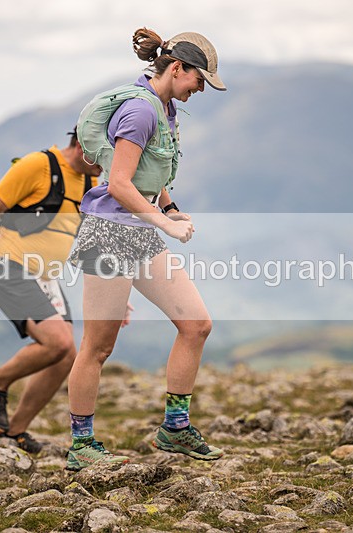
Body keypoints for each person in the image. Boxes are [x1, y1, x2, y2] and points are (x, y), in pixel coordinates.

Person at [64, 28, 227, 471]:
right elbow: (117, 183)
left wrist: (170, 208)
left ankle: (174, 429)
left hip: (141, 232)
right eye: (199, 80)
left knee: (196, 324)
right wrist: (161, 223)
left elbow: (152, 175)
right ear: (177, 68)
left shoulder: (165, 108)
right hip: (110, 234)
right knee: (98, 346)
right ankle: (81, 444)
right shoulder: (139, 112)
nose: (200, 90)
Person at [0, 129, 105, 453]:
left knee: (67, 358)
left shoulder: (90, 182)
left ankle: (13, 433)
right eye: (102, 156)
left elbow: (87, 241)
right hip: (12, 268)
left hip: (47, 278)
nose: (106, 166)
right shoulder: (37, 165)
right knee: (57, 341)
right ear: (83, 145)